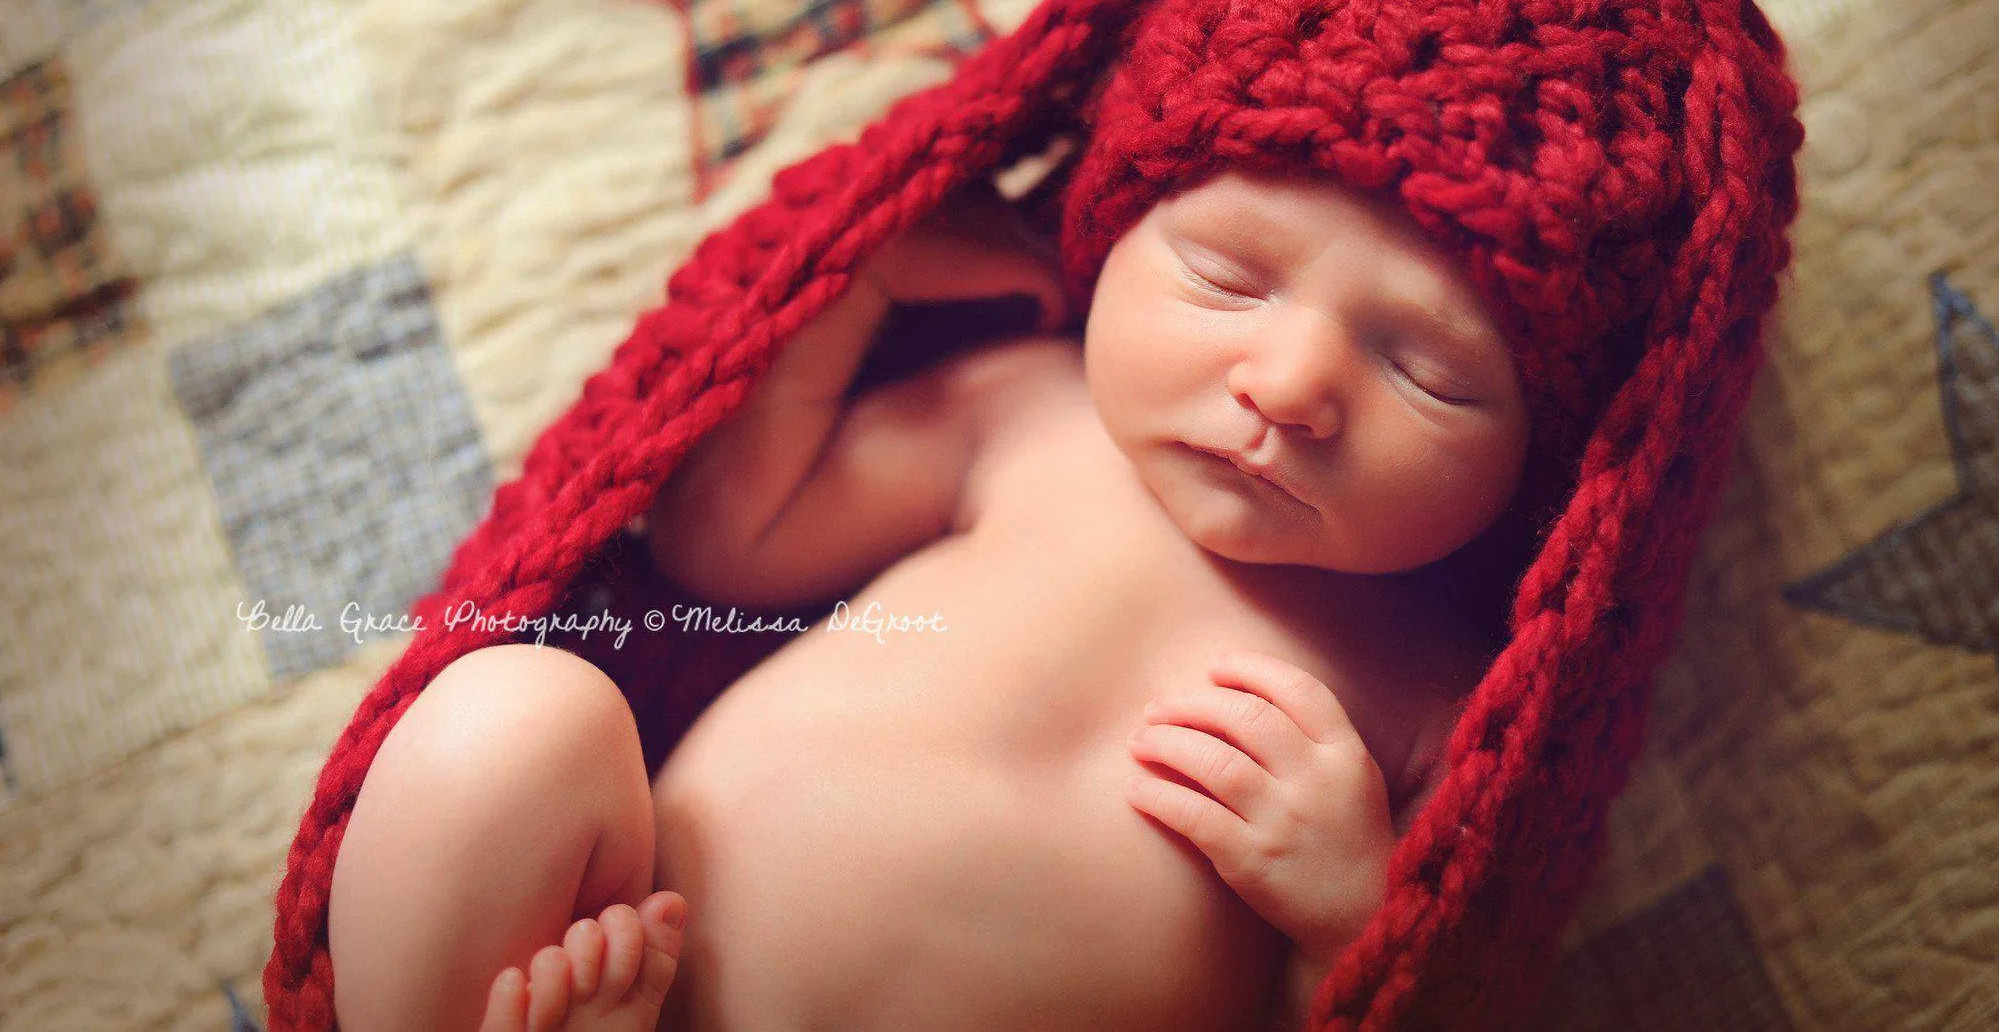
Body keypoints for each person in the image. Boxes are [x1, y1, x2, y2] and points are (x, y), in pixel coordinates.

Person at [328, 159, 1531, 1032]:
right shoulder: (1037, 410)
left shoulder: (1449, 700)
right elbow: (720, 544)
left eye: (1423, 370)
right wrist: (856, 293)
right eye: (1226, 278)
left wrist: (1350, 922)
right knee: (510, 716)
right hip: (637, 950)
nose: (1286, 383)